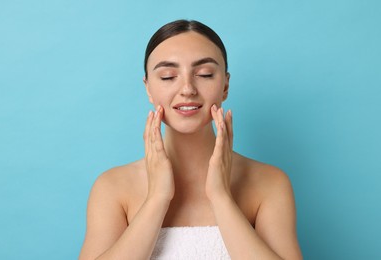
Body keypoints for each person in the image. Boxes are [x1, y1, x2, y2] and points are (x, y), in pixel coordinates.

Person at [79, 19, 302, 260]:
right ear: (148, 89)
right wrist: (157, 198)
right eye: (167, 76)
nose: (187, 89)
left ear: (225, 85)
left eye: (205, 74)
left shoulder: (269, 183)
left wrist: (221, 197)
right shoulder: (112, 187)